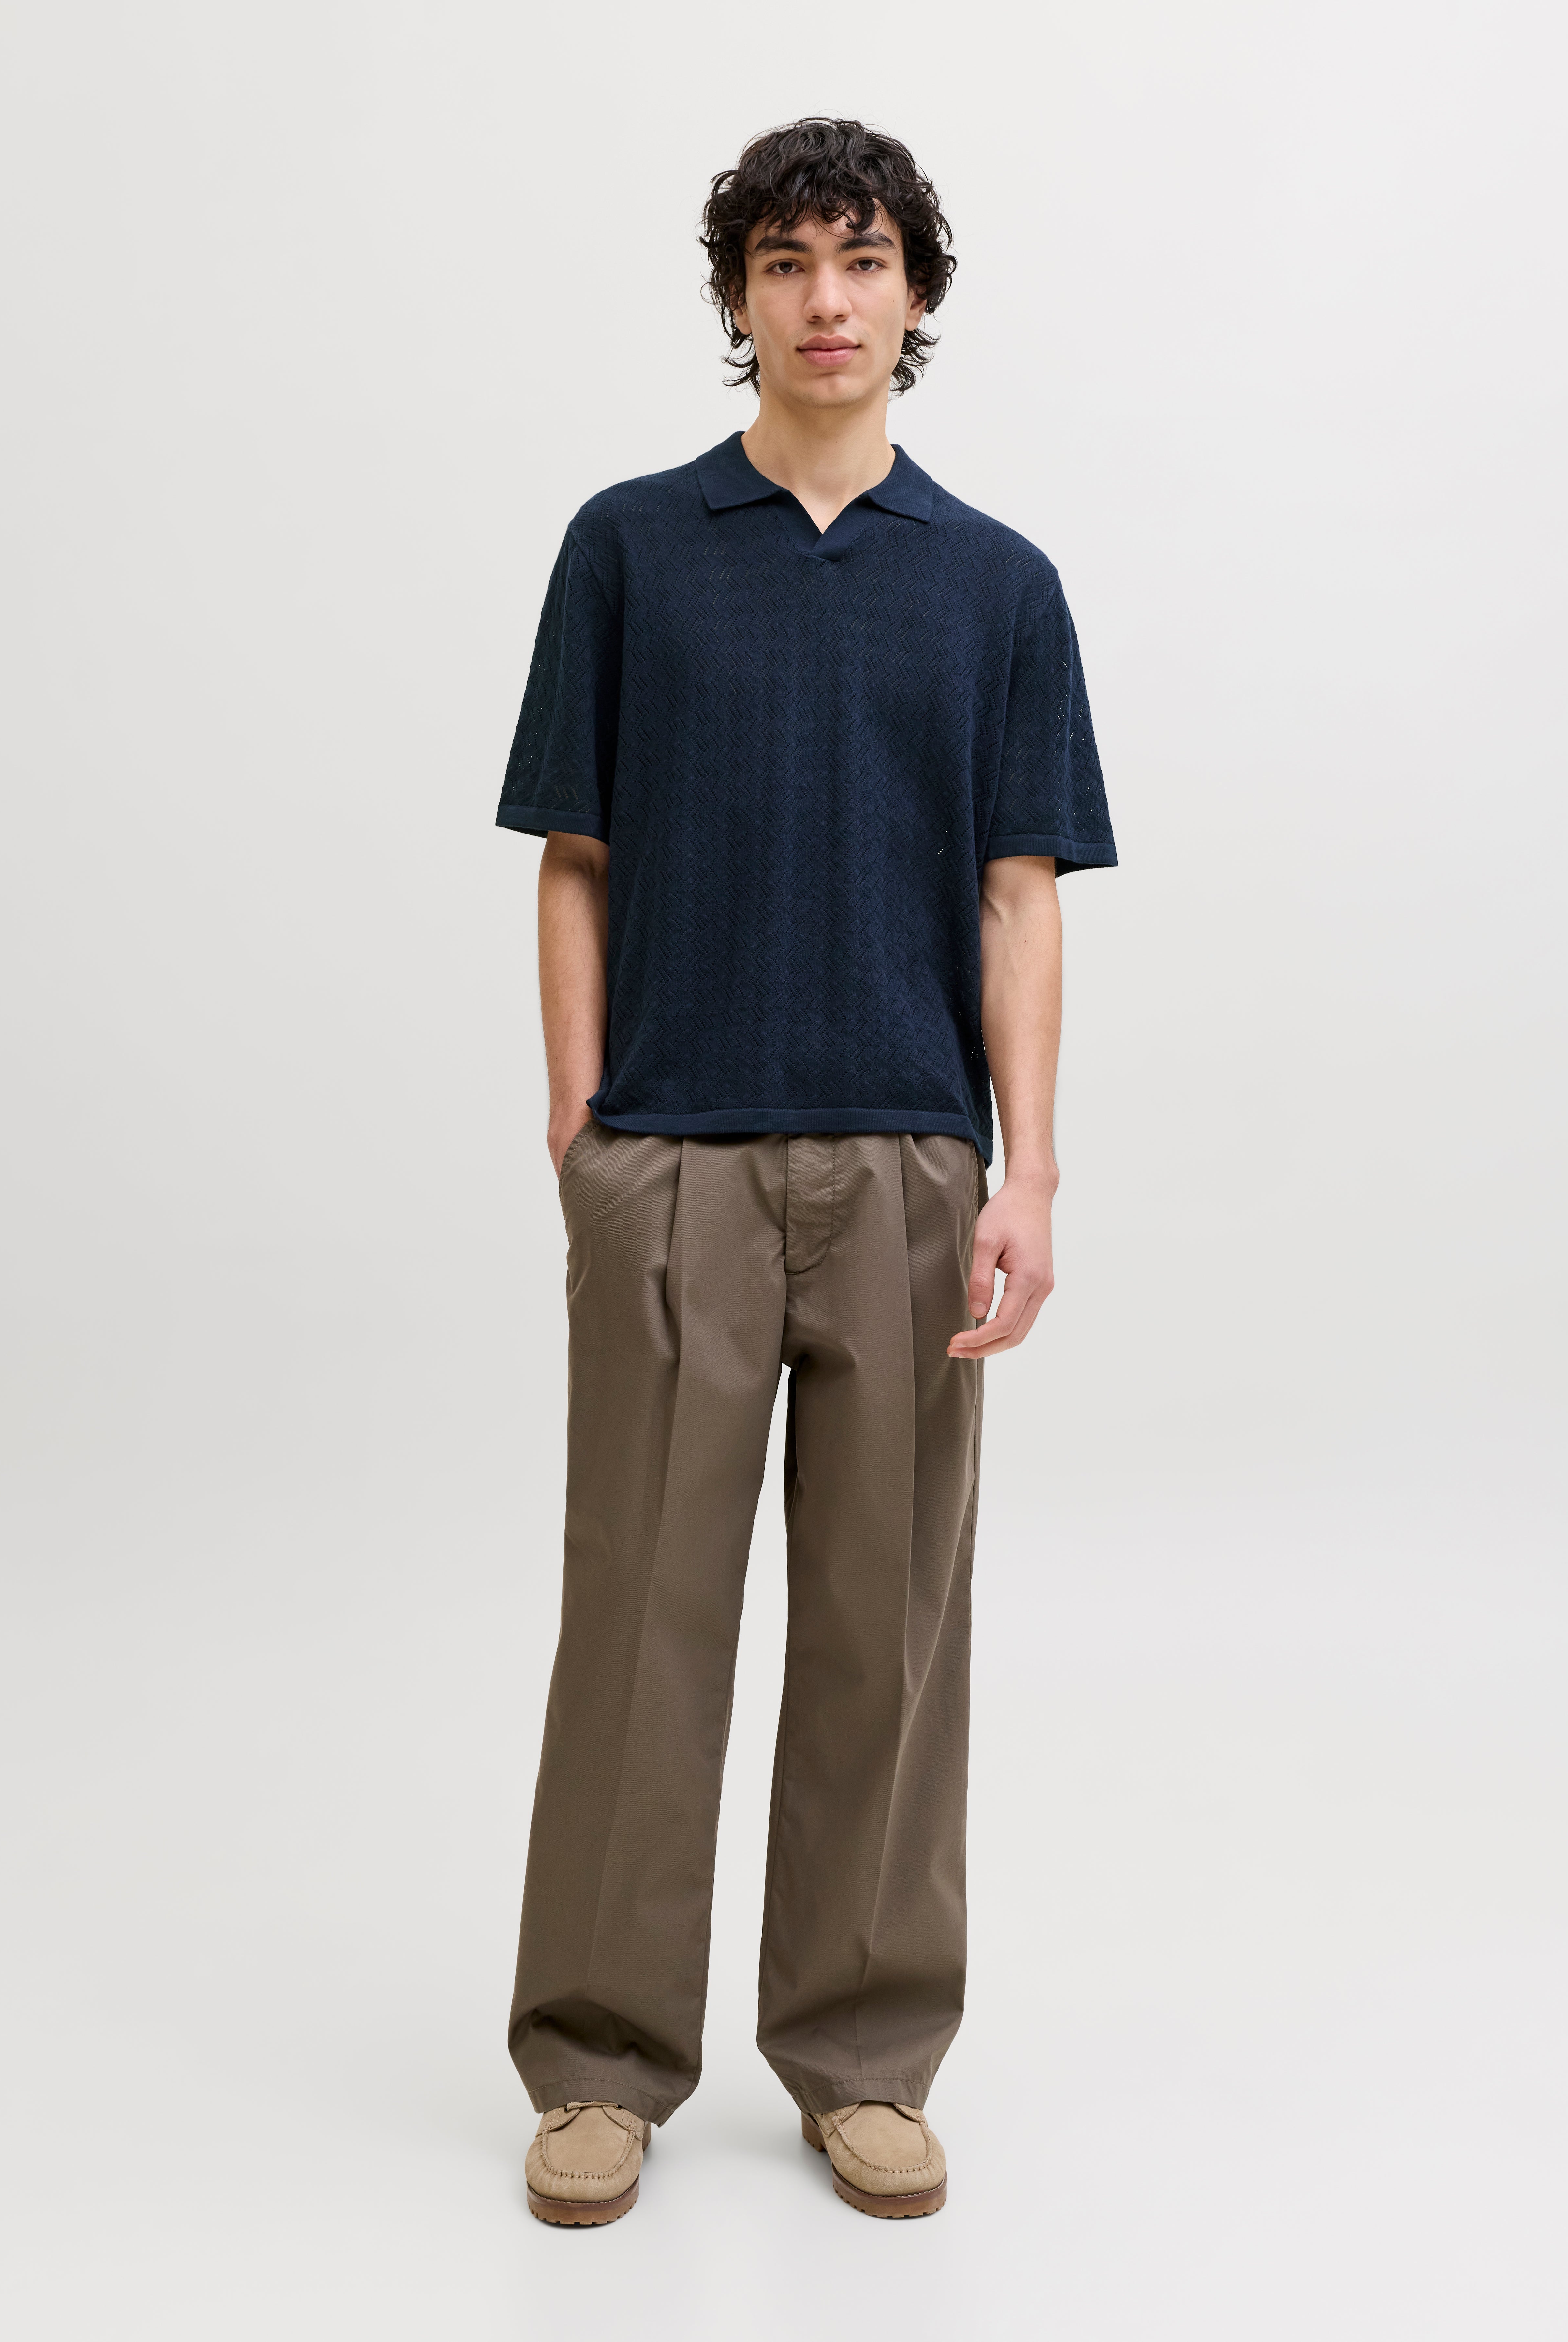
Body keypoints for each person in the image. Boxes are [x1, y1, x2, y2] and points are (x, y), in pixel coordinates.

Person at [497, 116, 1114, 2226]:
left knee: (888, 1627)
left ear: (915, 294)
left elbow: (1020, 895)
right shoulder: (630, 548)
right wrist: (583, 1124)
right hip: (672, 1160)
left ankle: (862, 2051)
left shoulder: (998, 585)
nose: (826, 298)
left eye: (861, 259)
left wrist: (1028, 1172)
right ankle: (598, 2057)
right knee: (640, 1623)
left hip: (914, 1168)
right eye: (784, 262)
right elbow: (574, 857)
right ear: (738, 298)